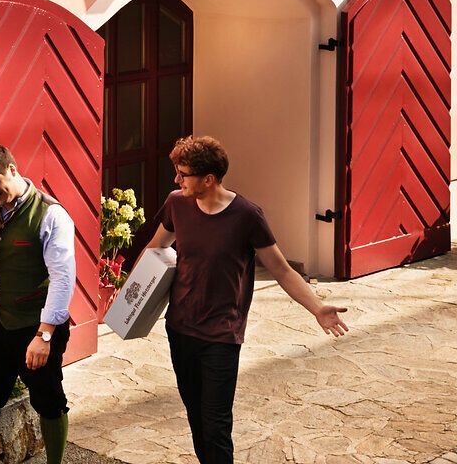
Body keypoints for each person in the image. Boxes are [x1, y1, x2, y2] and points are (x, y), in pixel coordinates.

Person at [144, 134, 348, 464]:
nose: (176, 179)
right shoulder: (177, 204)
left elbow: (281, 270)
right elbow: (156, 249)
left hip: (222, 335)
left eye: (183, 174)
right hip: (180, 328)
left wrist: (317, 307)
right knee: (196, 417)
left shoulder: (247, 216)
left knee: (216, 425)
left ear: (208, 179)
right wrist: (132, 303)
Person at [0, 143, 73, 464]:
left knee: (48, 400)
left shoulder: (51, 214)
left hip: (36, 325)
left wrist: (45, 335)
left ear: (12, 169)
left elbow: (63, 279)